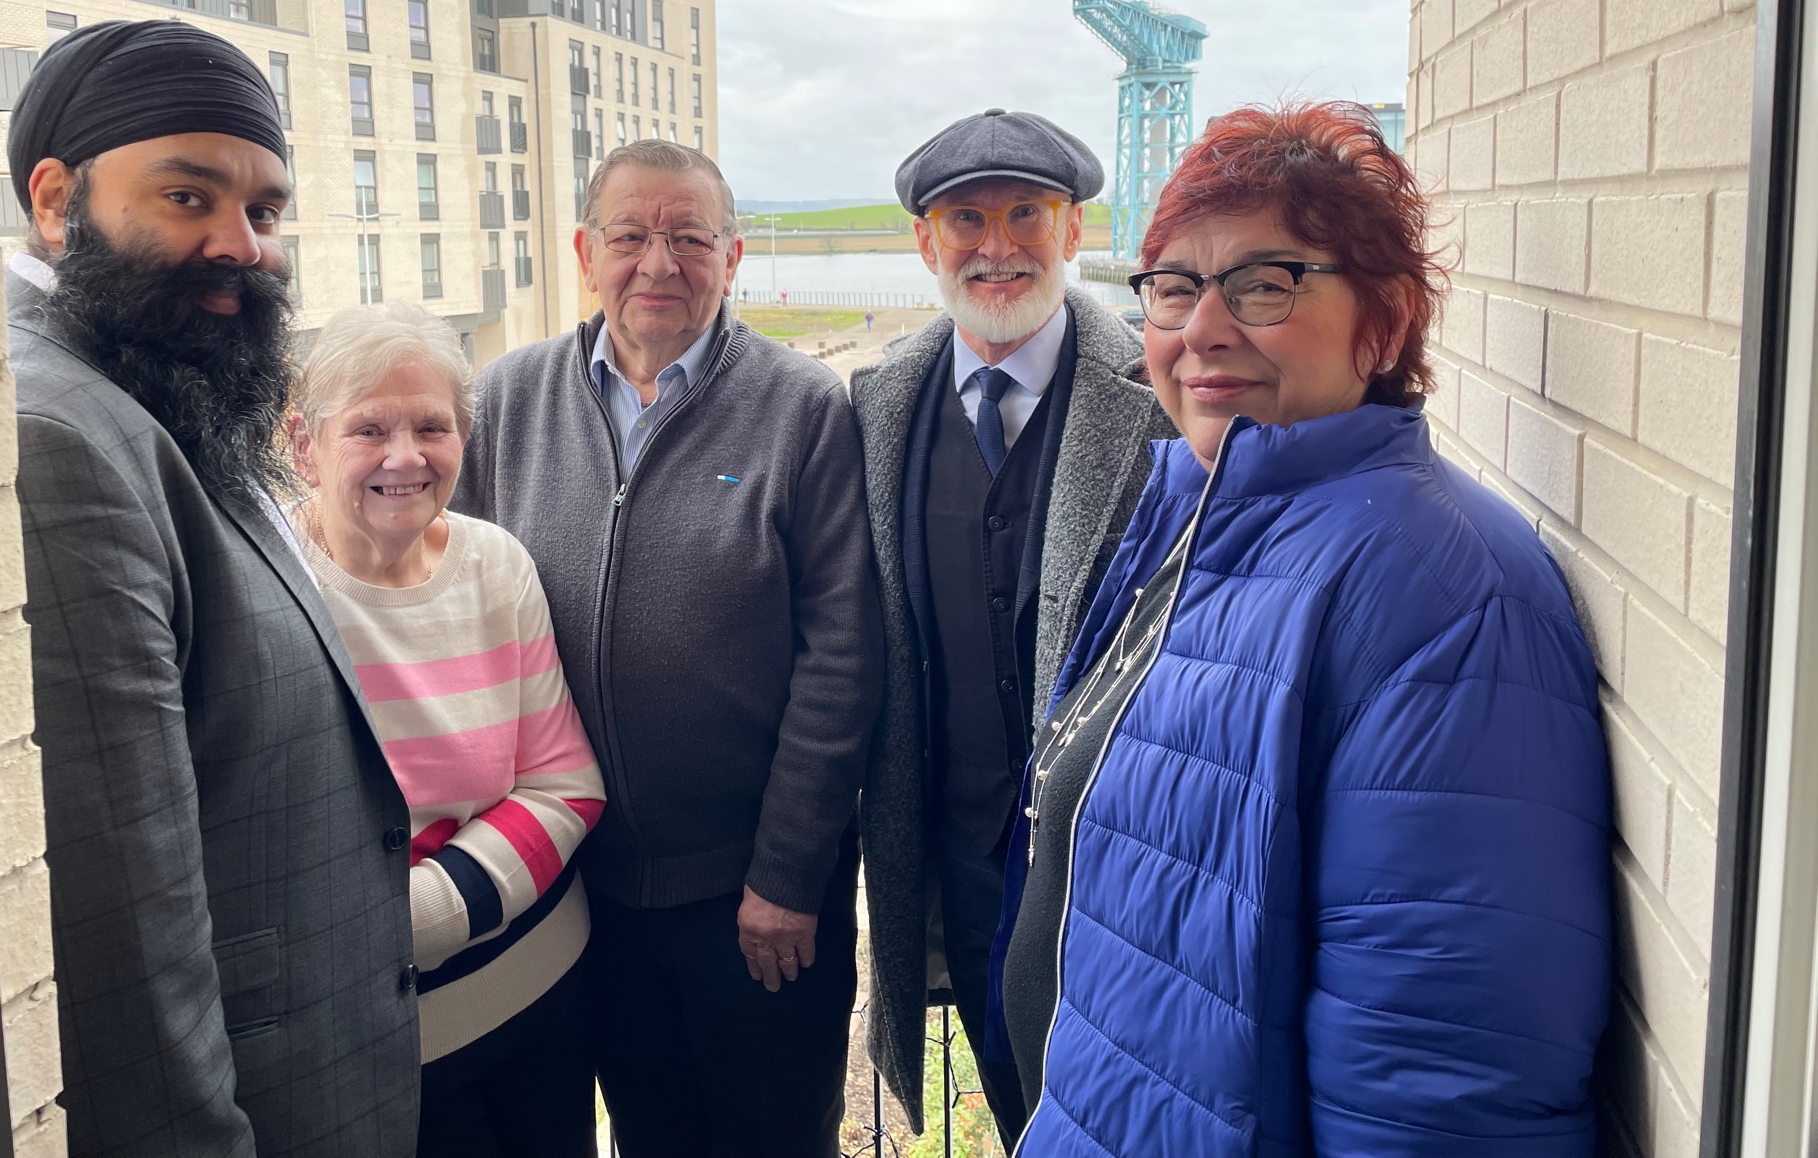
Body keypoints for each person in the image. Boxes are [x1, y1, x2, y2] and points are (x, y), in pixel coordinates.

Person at [994, 102, 1612, 1155]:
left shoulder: (1442, 592)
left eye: (1264, 282)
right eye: (1175, 287)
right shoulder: (1209, 508)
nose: (1204, 328)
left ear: (1383, 322)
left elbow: (1435, 1073)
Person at [5, 20, 419, 1156]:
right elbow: (122, 938)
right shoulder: (58, 439)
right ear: (56, 201)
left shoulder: (161, 386)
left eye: (266, 211)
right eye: (189, 199)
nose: (241, 245)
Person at [452, 140, 883, 1158]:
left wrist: (784, 877)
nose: (659, 263)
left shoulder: (801, 409)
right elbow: (450, 596)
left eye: (690, 238)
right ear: (582, 250)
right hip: (579, 892)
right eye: (630, 235)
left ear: (730, 258)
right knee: (648, 1135)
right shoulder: (508, 398)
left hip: (755, 897)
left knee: (773, 1137)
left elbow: (842, 658)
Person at [852, 108, 1177, 1144]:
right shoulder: (876, 407)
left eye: (1026, 215)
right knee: (1011, 1097)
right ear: (924, 242)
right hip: (956, 857)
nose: (997, 248)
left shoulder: (1169, 397)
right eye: (966, 220)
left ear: (1074, 230)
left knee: (1121, 1111)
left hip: (1116, 869)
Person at [289, 304, 606, 1157]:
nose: (406, 455)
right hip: (370, 1043)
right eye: (369, 428)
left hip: (536, 1004)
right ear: (301, 442)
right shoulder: (272, 587)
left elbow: (566, 783)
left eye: (433, 425)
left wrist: (414, 916)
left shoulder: (495, 564)